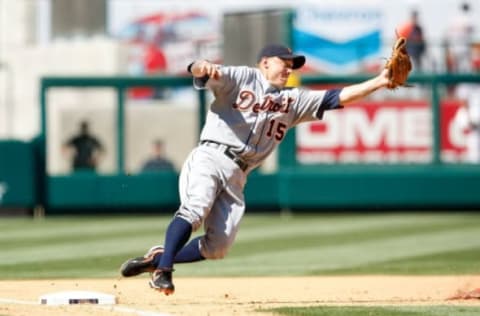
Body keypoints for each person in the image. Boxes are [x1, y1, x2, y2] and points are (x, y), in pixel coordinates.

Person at [119, 43, 392, 295]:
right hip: (211, 156)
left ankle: (158, 258)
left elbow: (337, 97)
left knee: (218, 247)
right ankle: (164, 272)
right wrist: (201, 65)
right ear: (264, 63)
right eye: (282, 62)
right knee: (195, 210)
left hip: (239, 174)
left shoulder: (293, 101)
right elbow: (198, 70)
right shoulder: (243, 77)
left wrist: (380, 81)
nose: (288, 68)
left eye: (292, 64)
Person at [446, 2, 475, 73]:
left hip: (455, 47)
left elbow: (448, 32)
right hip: (464, 47)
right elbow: (471, 29)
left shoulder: (455, 18)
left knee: (457, 68)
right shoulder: (468, 18)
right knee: (465, 68)